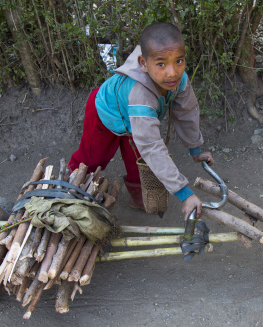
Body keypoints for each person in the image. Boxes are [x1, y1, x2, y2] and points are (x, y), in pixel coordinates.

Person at [68, 22, 214, 220]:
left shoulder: (179, 81)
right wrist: (184, 193)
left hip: (134, 122)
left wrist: (195, 149)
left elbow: (186, 112)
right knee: (93, 159)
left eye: (179, 61)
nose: (172, 72)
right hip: (105, 113)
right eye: (161, 64)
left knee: (139, 163)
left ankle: (139, 199)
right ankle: (70, 193)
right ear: (143, 64)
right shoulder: (141, 95)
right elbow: (151, 145)